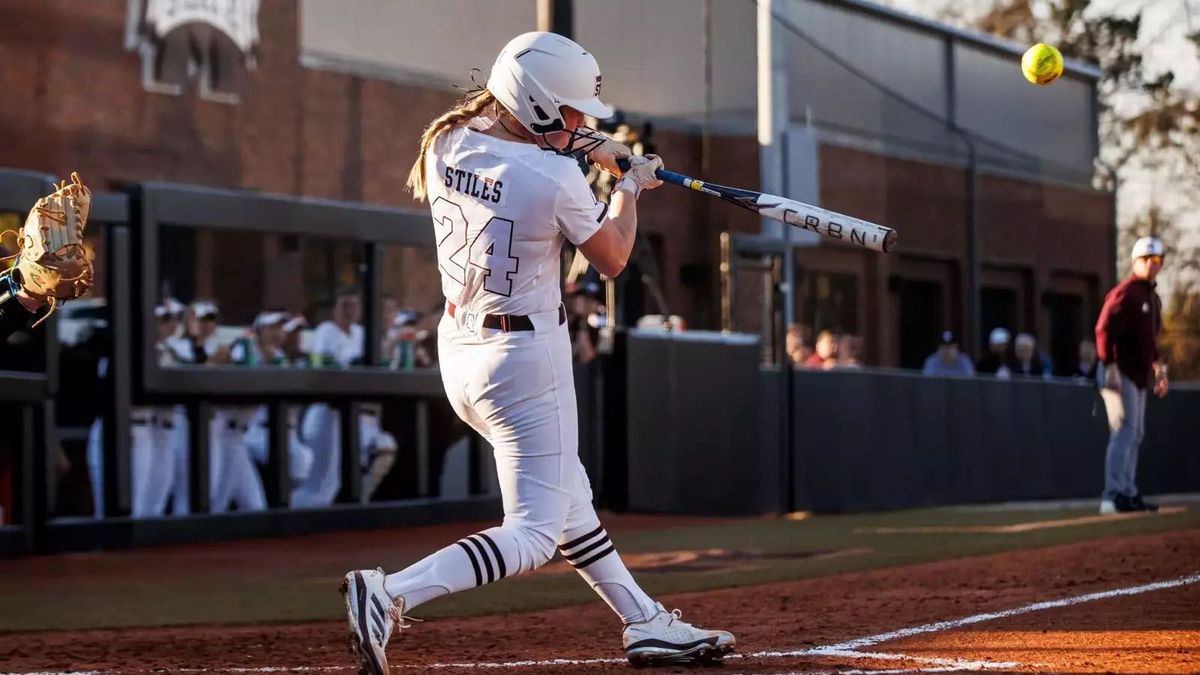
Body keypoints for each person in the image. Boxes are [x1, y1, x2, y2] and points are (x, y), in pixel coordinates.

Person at [341, 32, 734, 674]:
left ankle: (646, 622)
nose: (582, 122)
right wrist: (629, 184)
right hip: (526, 358)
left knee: (567, 495)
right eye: (573, 111)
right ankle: (388, 594)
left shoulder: (447, 139)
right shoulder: (554, 178)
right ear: (540, 104)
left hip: (461, 350)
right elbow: (611, 258)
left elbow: (525, 140)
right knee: (532, 534)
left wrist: (599, 147)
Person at [1095, 237, 1168, 514]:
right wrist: (1110, 366)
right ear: (1135, 262)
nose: (1152, 265)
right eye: (1146, 260)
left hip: (1137, 374)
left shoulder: (1152, 298)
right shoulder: (1126, 293)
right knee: (1124, 431)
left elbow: (1149, 343)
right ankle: (1112, 496)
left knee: (1135, 433)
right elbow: (1103, 330)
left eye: (1157, 261)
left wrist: (1158, 367)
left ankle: (1128, 492)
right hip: (1118, 369)